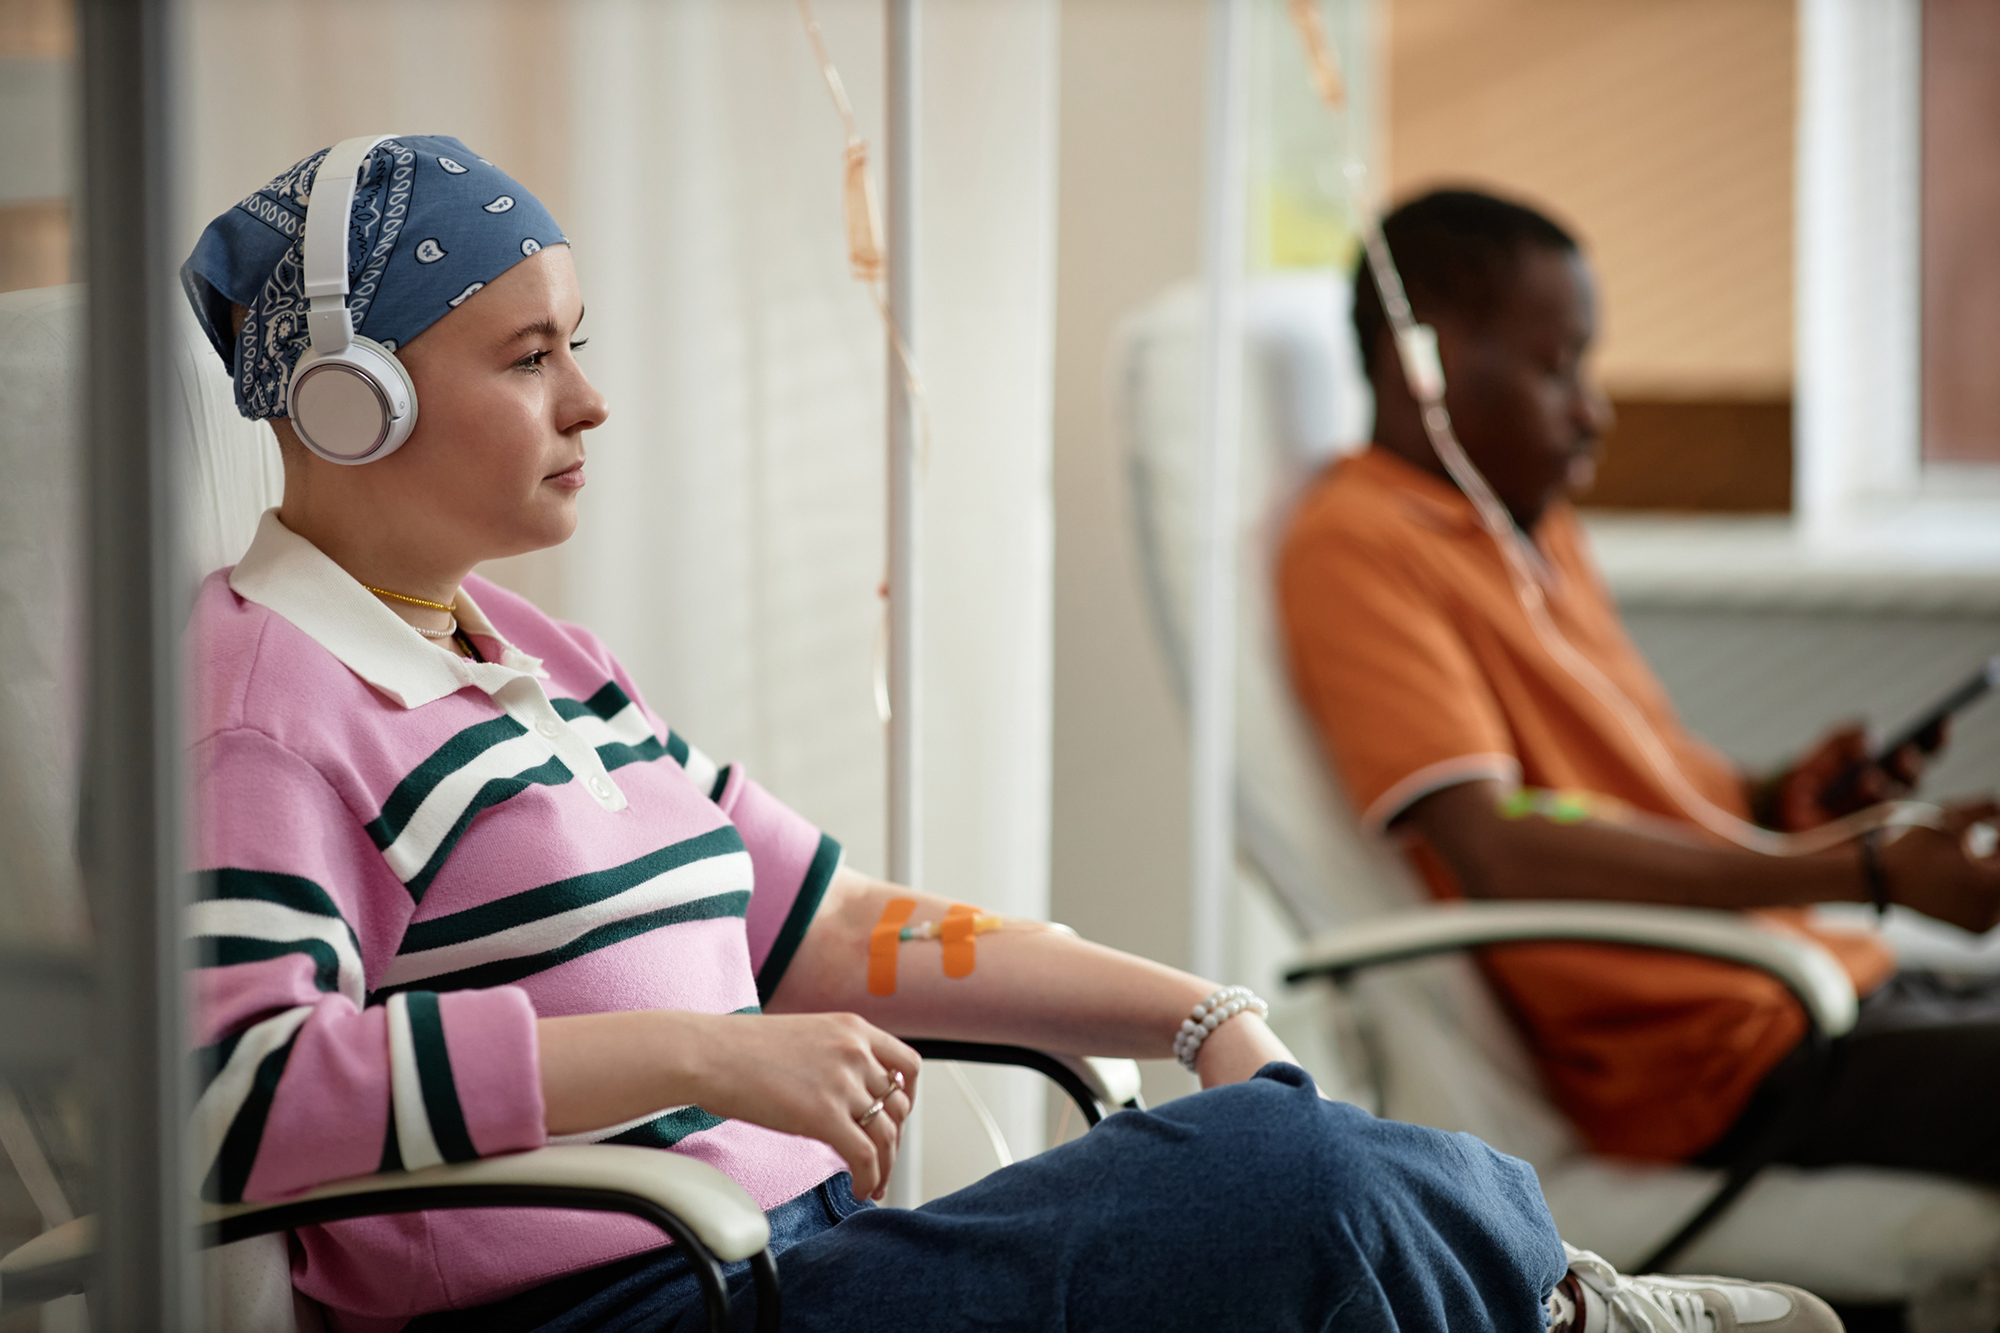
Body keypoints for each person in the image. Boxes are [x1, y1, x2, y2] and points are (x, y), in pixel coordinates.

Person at [182, 140, 1836, 1333]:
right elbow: (244, 1094)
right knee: (1290, 1205)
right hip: (627, 1300)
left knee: (1261, 1140)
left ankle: (1543, 1302)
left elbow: (828, 921)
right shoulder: (266, 706)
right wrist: (703, 1053)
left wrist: (1198, 1009)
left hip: (782, 1263)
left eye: (582, 346)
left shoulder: (539, 652)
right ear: (349, 402)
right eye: (531, 357)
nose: (590, 400)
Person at [1278, 187, 2000, 1182]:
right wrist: (1856, 872)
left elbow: (1611, 790)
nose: (1592, 408)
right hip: (1716, 1060)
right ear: (1426, 363)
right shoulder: (1357, 547)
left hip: (1809, 985)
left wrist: (1779, 800)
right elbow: (1502, 848)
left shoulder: (1529, 524)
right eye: (1556, 364)